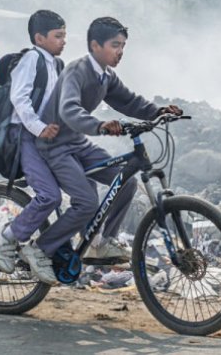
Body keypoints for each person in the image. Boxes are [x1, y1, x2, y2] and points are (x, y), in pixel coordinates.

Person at [34, 16, 182, 264]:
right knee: (87, 202)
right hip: (55, 146)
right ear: (95, 46)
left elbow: (129, 101)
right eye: (115, 45)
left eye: (123, 45)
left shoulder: (106, 76)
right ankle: (40, 249)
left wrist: (159, 112)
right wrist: (100, 125)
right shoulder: (76, 70)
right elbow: (69, 110)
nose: (120, 51)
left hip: (77, 144)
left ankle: (101, 243)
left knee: (125, 180)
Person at [0, 9, 66, 285]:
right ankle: (9, 236)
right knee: (49, 196)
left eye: (64, 36)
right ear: (40, 37)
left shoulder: (56, 65)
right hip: (27, 137)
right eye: (58, 36)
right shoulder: (32, 59)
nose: (63, 41)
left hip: (50, 139)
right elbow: (20, 100)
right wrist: (39, 128)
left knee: (85, 187)